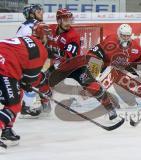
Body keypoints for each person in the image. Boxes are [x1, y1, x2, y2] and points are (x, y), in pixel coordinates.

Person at [47, 8, 118, 120]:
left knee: (92, 86)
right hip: (60, 67)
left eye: (70, 20)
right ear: (59, 20)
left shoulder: (73, 35)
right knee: (43, 82)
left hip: (75, 65)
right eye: (65, 20)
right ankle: (44, 105)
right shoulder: (51, 30)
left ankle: (109, 107)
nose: (68, 23)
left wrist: (52, 50)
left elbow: (68, 56)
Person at [0, 22, 51, 151]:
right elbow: (31, 79)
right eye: (47, 36)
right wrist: (41, 79)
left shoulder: (26, 38)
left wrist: (26, 81)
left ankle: (7, 131)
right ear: (43, 36)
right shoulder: (41, 50)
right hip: (5, 68)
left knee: (19, 93)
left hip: (6, 64)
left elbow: (25, 77)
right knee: (14, 104)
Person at [16, 4, 51, 117]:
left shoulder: (24, 26)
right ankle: (28, 106)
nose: (41, 13)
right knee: (35, 79)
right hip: (25, 60)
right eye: (38, 11)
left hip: (20, 59)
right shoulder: (32, 26)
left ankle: (29, 105)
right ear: (31, 14)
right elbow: (30, 46)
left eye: (41, 11)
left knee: (36, 80)